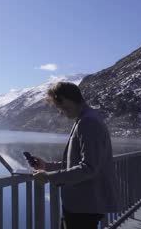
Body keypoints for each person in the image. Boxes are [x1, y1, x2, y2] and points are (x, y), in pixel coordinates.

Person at [31, 82, 119, 229]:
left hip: (84, 205)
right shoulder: (85, 118)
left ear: (64, 100)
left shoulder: (88, 122)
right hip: (82, 204)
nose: (60, 112)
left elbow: (89, 167)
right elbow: (78, 162)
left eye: (58, 106)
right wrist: (47, 166)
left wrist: (48, 176)